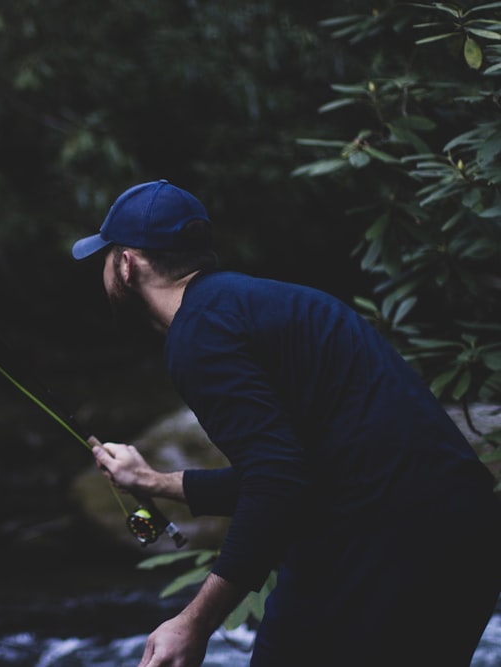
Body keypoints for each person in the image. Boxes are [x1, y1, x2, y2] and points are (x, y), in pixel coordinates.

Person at [71, 180, 501, 667]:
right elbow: (296, 468)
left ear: (127, 264)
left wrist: (192, 623)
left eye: (105, 257)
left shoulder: (200, 335)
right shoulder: (259, 305)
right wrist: (154, 482)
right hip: (465, 533)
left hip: (383, 544)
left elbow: (277, 484)